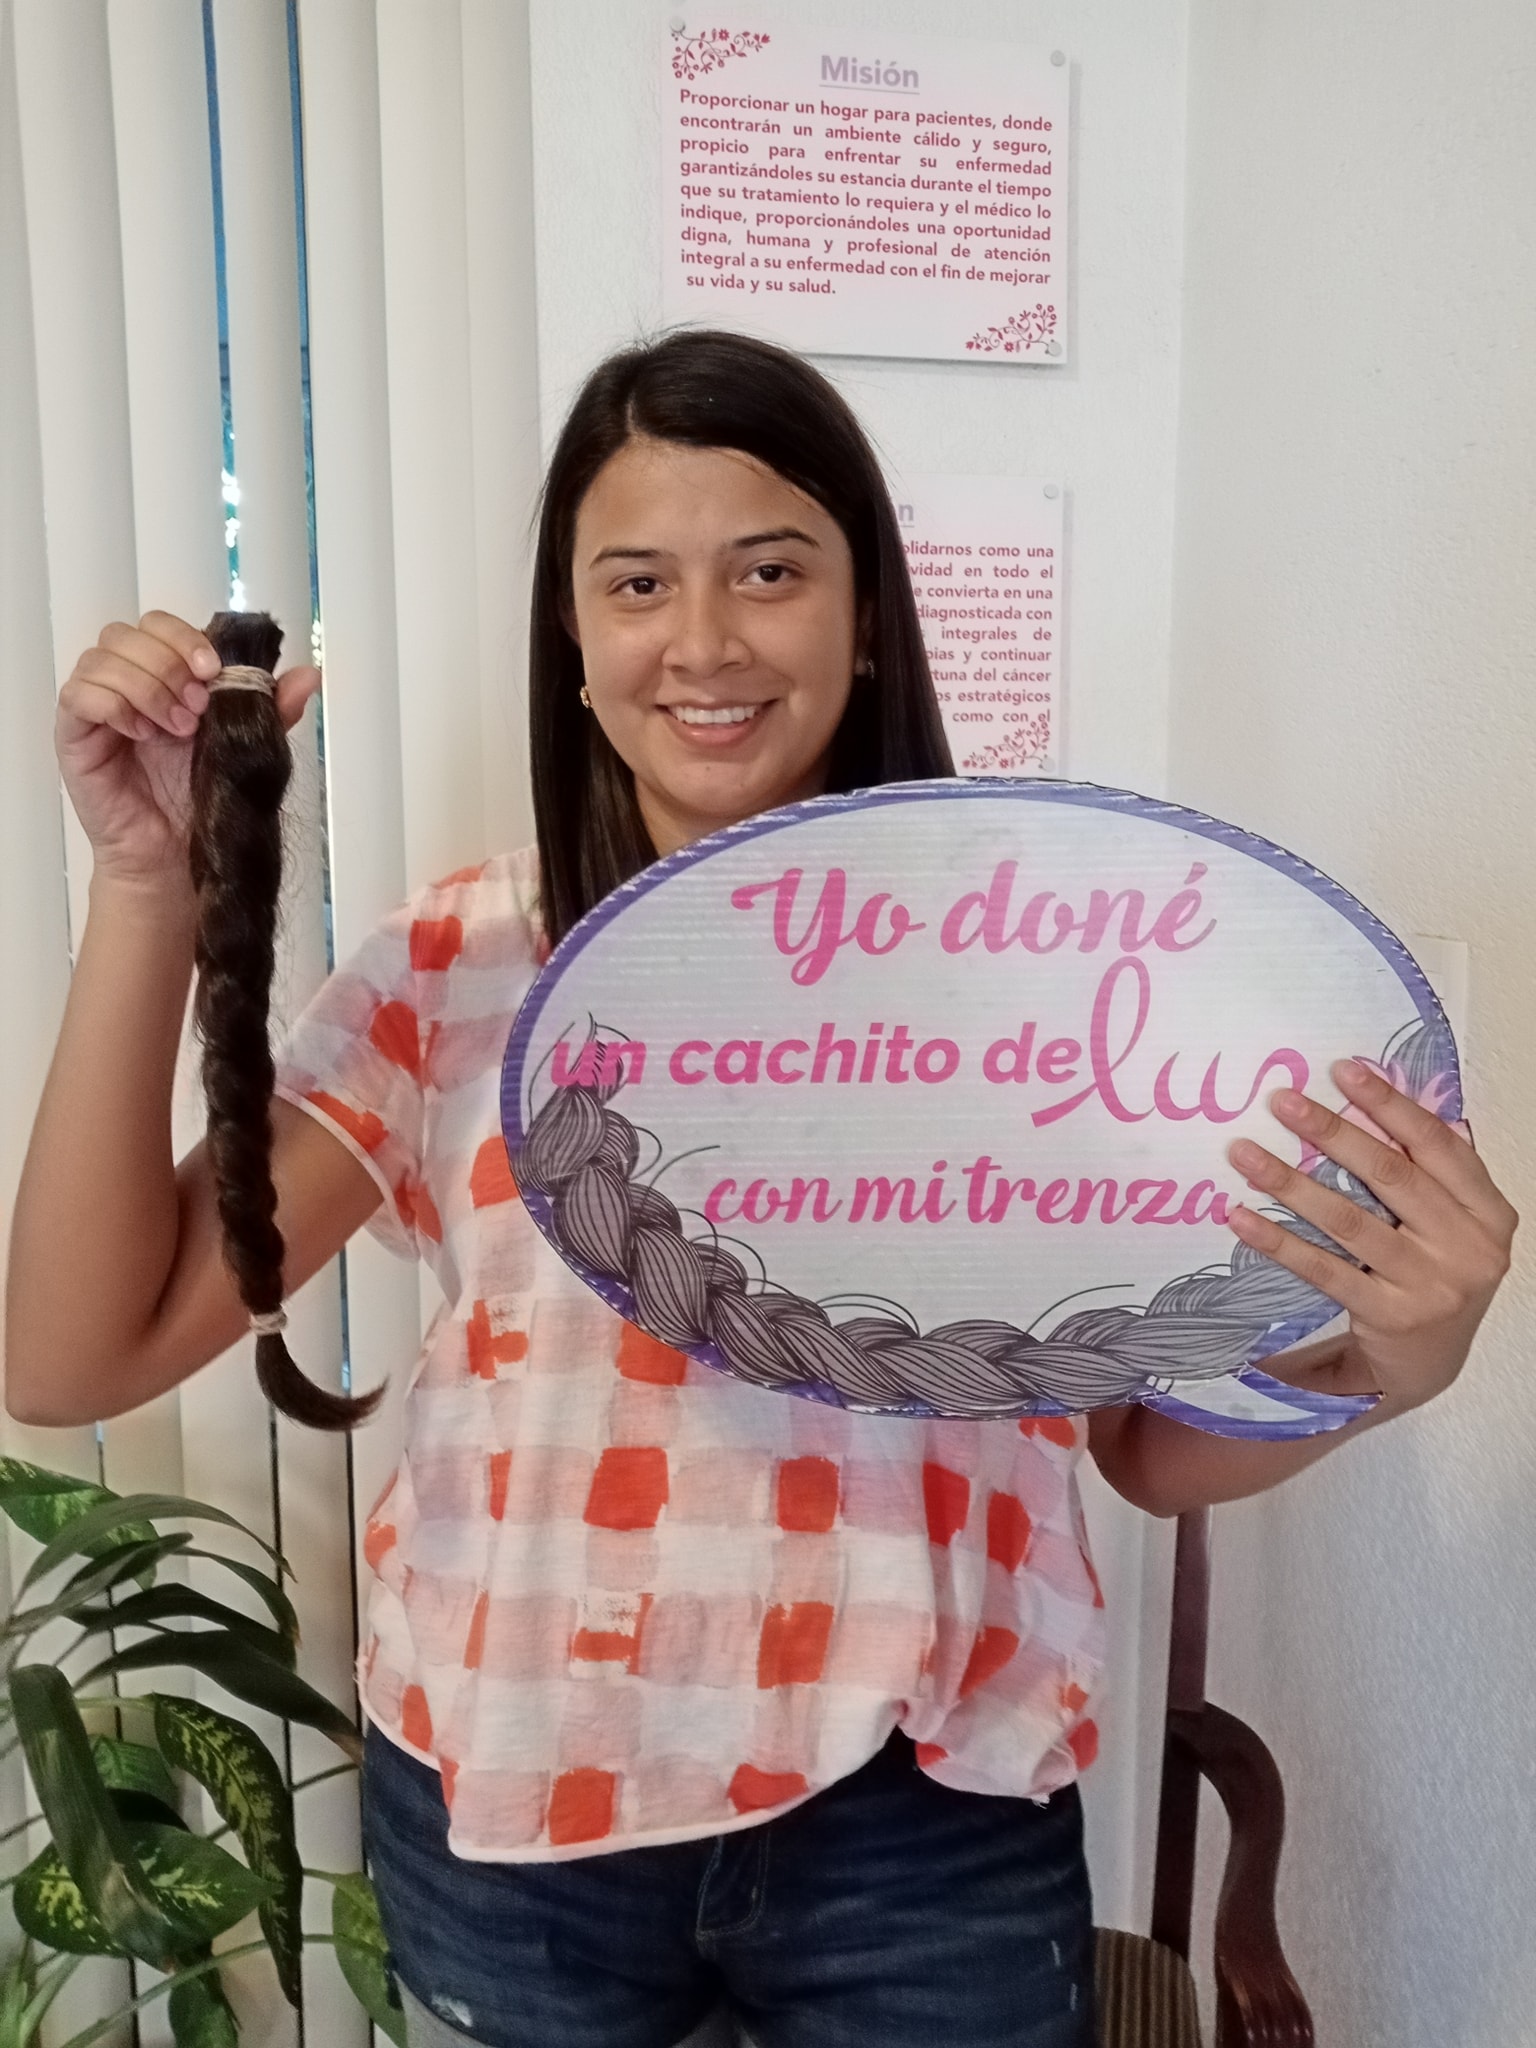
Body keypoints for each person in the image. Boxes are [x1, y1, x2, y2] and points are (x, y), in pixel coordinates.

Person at [5, 330, 1516, 2048]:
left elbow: (1143, 1447)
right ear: (574, 640)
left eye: (772, 570)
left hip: (926, 1821)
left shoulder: (1048, 981)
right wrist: (147, 877)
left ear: (865, 618)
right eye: (638, 582)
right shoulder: (462, 961)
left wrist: (1385, 1363)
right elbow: (74, 1355)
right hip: (524, 1808)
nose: (706, 640)